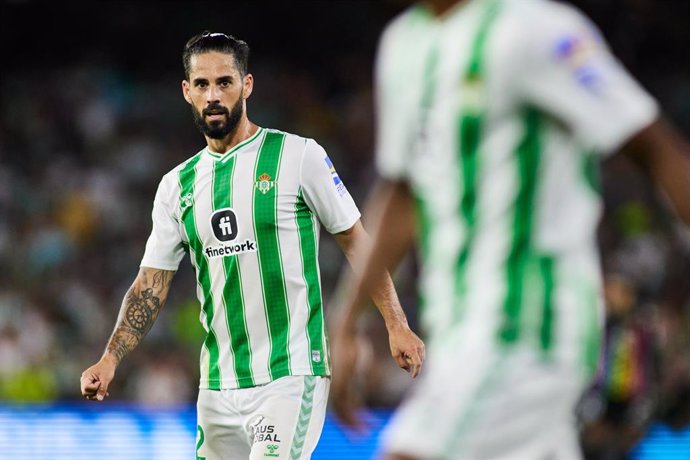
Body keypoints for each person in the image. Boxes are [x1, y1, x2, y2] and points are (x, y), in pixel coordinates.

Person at [329, 0, 690, 459]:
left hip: (526, 325)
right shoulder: (405, 45)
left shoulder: (535, 31)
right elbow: (401, 192)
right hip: (458, 330)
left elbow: (654, 144)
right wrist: (345, 322)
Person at [79, 31, 424, 460]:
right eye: (202, 85)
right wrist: (110, 358)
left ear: (247, 85)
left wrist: (396, 324)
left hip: (290, 374)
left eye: (225, 82)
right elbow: (151, 282)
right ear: (187, 92)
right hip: (218, 385)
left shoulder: (298, 157)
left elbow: (355, 240)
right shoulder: (176, 186)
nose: (213, 95)